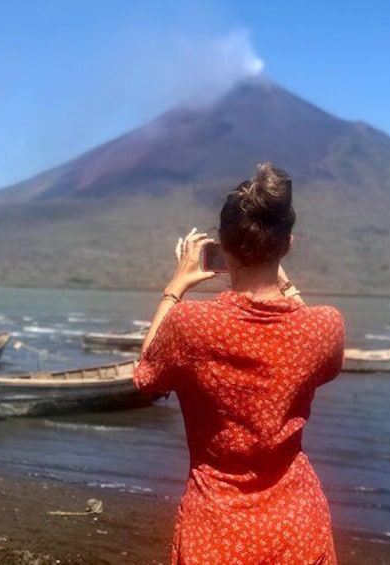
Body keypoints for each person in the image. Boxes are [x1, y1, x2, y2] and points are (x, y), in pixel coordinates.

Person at [134, 163, 345, 564]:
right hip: (297, 525)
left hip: (217, 527)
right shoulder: (325, 325)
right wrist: (283, 281)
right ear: (287, 245)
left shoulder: (191, 324)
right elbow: (321, 358)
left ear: (223, 248)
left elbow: (147, 373)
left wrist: (175, 287)